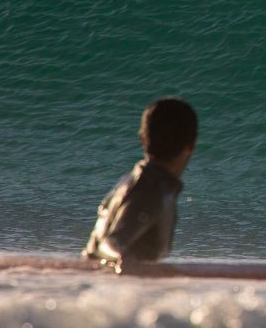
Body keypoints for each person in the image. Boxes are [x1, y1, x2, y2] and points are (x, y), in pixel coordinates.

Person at [83, 96, 198, 268]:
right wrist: (123, 258)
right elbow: (109, 243)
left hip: (102, 286)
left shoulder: (139, 182)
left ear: (142, 139)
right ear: (191, 146)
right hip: (109, 286)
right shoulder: (150, 189)